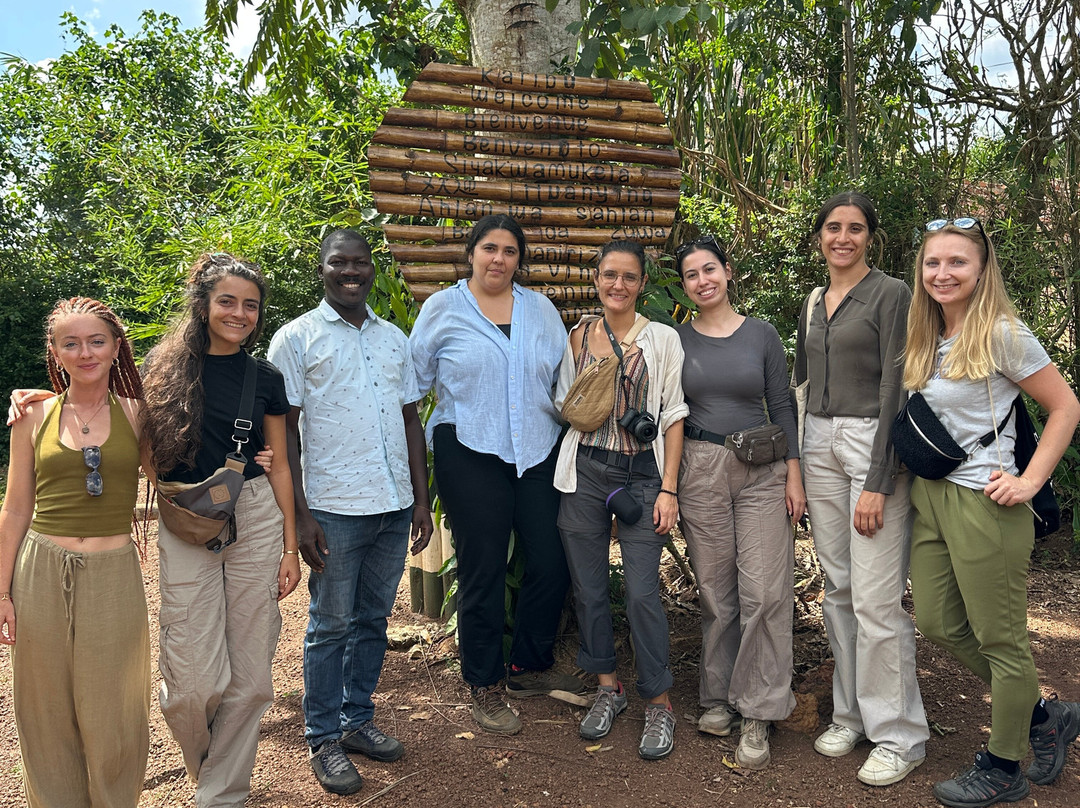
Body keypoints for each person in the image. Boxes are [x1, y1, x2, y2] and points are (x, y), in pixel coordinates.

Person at [902, 217, 1080, 807]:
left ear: (981, 271)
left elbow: (1065, 406)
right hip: (930, 498)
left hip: (987, 502)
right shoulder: (926, 333)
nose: (943, 273)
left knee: (1001, 640)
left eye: (957, 262)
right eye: (933, 262)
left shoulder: (1002, 333)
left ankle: (1003, 767)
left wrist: (1030, 481)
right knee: (937, 622)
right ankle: (1042, 716)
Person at [267, 230, 434, 795]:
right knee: (329, 626)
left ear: (371, 267)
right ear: (322, 268)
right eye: (338, 262)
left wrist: (420, 497)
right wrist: (302, 515)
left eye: (360, 262)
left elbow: (411, 420)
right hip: (333, 509)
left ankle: (357, 720)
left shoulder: (393, 339)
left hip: (392, 507)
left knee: (372, 622)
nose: (351, 271)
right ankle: (323, 737)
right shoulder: (296, 339)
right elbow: (283, 432)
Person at [409, 214, 584, 736]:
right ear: (471, 253)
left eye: (509, 251)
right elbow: (412, 386)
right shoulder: (442, 308)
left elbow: (563, 381)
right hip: (469, 447)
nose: (498, 259)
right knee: (483, 566)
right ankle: (483, 682)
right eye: (489, 248)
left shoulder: (541, 310)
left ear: (519, 260)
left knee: (551, 560)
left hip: (536, 450)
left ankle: (527, 667)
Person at [141, 253, 301, 808]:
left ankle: (220, 796)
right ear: (204, 304)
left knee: (252, 675)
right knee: (191, 686)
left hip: (255, 514)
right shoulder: (160, 371)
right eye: (227, 301)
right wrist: (38, 401)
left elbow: (279, 463)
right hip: (187, 522)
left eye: (251, 305)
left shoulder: (266, 379)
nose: (240, 313)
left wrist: (289, 546)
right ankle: (211, 771)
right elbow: (108, 421)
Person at [793, 191, 929, 785]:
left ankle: (899, 735)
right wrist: (796, 458)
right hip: (817, 443)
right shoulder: (813, 301)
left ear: (869, 236)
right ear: (820, 236)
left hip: (871, 440)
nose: (842, 237)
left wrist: (880, 479)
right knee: (839, 588)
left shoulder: (892, 293)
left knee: (876, 598)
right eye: (832, 227)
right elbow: (801, 383)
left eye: (854, 228)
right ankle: (850, 714)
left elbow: (896, 386)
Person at [0, 297, 150, 807]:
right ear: (56, 351)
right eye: (71, 343)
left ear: (115, 348)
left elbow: (176, 481)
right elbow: (16, 508)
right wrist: (2, 591)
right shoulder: (33, 413)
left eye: (96, 341)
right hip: (39, 567)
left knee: (115, 707)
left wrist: (256, 460)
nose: (85, 352)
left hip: (114, 573)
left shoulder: (138, 411)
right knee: (43, 708)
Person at [674, 236, 805, 770]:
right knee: (715, 591)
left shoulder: (762, 334)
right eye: (690, 275)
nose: (703, 280)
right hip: (700, 470)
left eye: (710, 269)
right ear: (683, 285)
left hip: (762, 469)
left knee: (766, 591)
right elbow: (668, 412)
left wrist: (794, 475)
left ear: (728, 272)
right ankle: (717, 696)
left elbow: (782, 404)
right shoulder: (674, 340)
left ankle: (758, 711)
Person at [554, 239, 688, 760]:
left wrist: (669, 489)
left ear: (642, 284)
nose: (618, 285)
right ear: (596, 278)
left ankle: (659, 700)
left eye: (629, 277)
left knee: (641, 592)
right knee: (588, 588)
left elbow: (673, 414)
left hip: (641, 477)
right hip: (585, 472)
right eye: (610, 275)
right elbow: (563, 404)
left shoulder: (663, 340)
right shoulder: (580, 335)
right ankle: (608, 687)